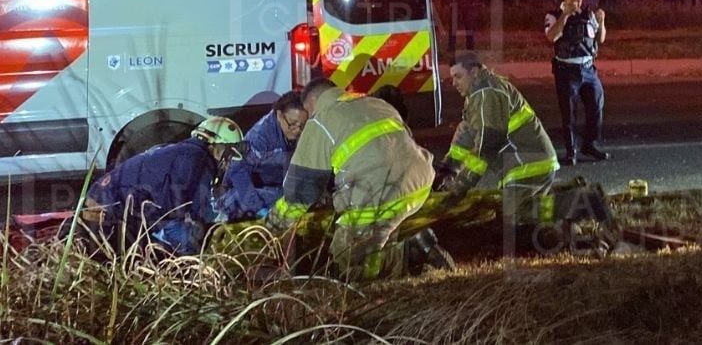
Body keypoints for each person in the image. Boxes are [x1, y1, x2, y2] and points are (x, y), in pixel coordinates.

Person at [266, 78, 440, 281]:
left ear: (312, 102)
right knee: (374, 243)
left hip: (376, 195)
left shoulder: (321, 120)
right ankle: (402, 256)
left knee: (345, 264)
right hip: (418, 185)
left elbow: (301, 191)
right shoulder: (377, 103)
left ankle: (412, 253)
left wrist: (273, 225)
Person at [439, 51, 559, 251]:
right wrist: (446, 170)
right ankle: (558, 205)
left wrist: (461, 185)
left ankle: (573, 206)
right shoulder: (478, 94)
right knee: (512, 216)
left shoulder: (488, 95)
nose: (454, 83)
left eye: (458, 77)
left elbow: (486, 146)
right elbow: (466, 135)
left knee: (513, 220)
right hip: (524, 165)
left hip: (528, 166)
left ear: (474, 72)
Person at [81, 117, 244, 254]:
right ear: (219, 149)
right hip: (109, 219)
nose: (228, 164)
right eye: (230, 156)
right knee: (190, 245)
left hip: (101, 206)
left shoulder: (182, 153)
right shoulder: (199, 161)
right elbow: (181, 216)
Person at [216, 92, 309, 222]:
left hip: (276, 185)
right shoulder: (259, 138)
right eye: (292, 124)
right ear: (279, 115)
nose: (297, 130)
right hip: (244, 192)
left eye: (302, 125)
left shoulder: (297, 131)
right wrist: (259, 210)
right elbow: (238, 174)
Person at [544, 0, 608, 165]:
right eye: (573, 0)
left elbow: (600, 39)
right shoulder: (553, 16)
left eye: (579, 1)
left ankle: (590, 144)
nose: (577, 4)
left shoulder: (588, 14)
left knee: (596, 106)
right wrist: (565, 15)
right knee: (569, 113)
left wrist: (601, 22)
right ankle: (571, 152)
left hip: (588, 70)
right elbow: (551, 36)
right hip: (567, 71)